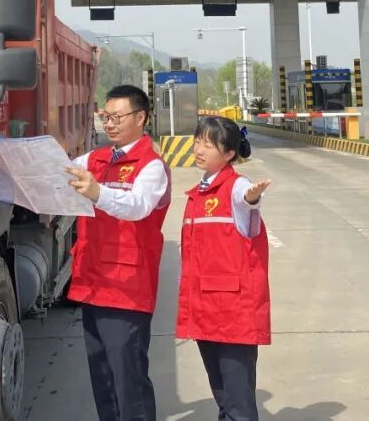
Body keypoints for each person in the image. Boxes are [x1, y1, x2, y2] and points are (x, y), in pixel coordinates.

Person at [64, 85, 171, 421]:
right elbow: (58, 170)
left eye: (117, 117)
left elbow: (137, 206)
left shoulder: (151, 166)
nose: (109, 124)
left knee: (128, 379)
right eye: (105, 117)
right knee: (102, 375)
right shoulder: (94, 159)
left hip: (126, 288)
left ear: (141, 118)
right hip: (92, 280)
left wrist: (98, 192)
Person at [176, 116, 272, 421]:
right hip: (206, 308)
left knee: (237, 399)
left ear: (229, 153)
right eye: (197, 142)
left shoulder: (236, 186)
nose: (198, 149)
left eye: (208, 144)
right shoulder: (199, 192)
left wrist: (252, 198)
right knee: (222, 393)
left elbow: (245, 201)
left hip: (233, 312)